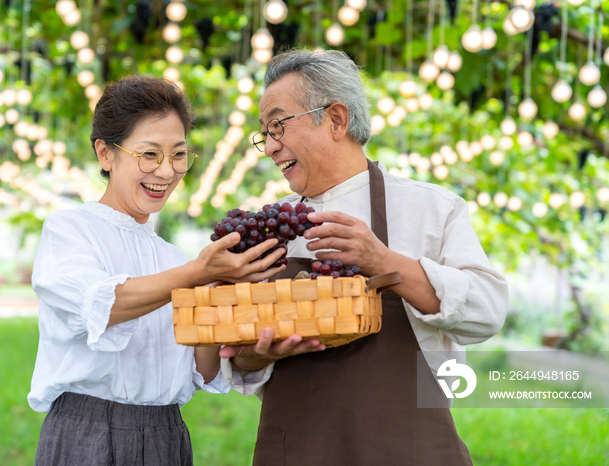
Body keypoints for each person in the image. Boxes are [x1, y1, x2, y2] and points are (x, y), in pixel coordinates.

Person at [218, 49, 509, 465]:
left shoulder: (430, 207)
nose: (270, 147)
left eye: (278, 126)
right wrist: (258, 354)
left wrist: (383, 260)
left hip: (406, 449)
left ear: (336, 119)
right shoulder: (271, 227)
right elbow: (238, 354)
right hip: (298, 450)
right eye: (264, 132)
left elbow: (487, 312)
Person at [27, 75, 289, 466]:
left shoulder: (174, 258)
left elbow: (204, 369)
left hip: (167, 434)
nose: (167, 173)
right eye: (150, 155)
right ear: (105, 153)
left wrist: (213, 292)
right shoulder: (70, 230)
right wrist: (195, 274)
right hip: (88, 432)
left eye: (179, 155)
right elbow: (100, 305)